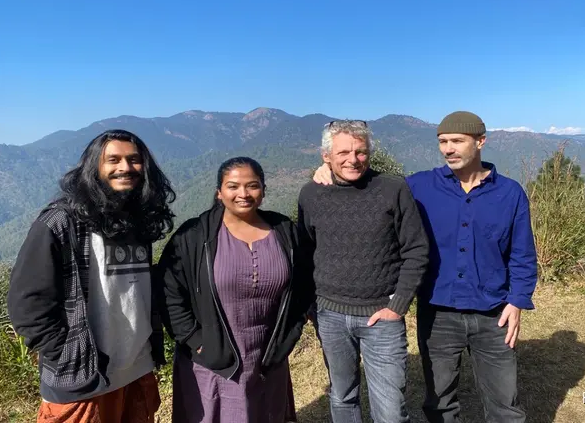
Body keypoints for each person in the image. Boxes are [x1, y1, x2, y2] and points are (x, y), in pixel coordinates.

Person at [313, 111, 538, 423]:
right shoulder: (418, 186)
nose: (448, 148)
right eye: (443, 141)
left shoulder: (510, 193)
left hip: (495, 312)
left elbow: (523, 254)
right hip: (438, 313)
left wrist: (517, 301)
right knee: (440, 402)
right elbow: (368, 180)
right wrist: (329, 167)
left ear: (481, 141)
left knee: (505, 405)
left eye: (457, 141)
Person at [7, 129, 175, 422]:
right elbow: (27, 305)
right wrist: (66, 355)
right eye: (114, 159)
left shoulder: (138, 220)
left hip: (136, 372)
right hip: (82, 384)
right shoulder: (61, 223)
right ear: (94, 166)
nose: (125, 167)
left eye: (134, 160)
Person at [156, 157, 311, 423]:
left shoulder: (284, 231)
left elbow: (305, 285)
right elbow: (169, 291)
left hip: (267, 357)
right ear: (219, 192)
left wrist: (291, 333)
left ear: (263, 189)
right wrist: (196, 340)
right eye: (233, 186)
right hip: (213, 359)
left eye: (252, 186)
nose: (243, 194)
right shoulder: (194, 236)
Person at [298, 119, 429, 423]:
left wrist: (398, 306)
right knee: (342, 397)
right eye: (343, 152)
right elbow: (305, 253)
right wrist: (309, 305)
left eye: (361, 152)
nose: (353, 159)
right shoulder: (311, 194)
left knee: (391, 412)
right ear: (325, 156)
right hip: (329, 315)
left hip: (382, 316)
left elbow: (416, 249)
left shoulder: (393, 188)